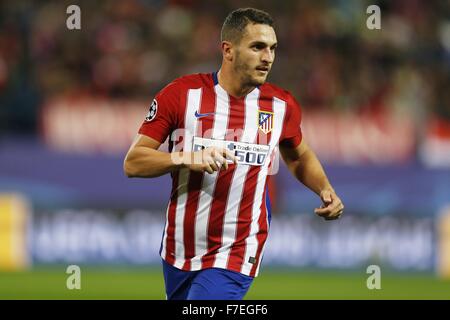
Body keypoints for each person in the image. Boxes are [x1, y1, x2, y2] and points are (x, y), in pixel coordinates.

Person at [123, 7, 344, 300]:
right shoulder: (181, 96)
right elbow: (134, 162)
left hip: (237, 249)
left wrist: (325, 188)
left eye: (272, 48)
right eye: (257, 47)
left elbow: (298, 155)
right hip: (180, 247)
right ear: (228, 50)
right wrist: (186, 157)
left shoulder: (280, 106)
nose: (268, 57)